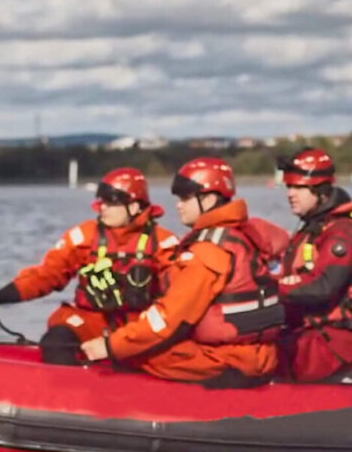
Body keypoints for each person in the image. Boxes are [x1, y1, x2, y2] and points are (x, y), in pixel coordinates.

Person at [78, 158, 283, 386]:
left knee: (136, 353)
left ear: (209, 199)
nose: (178, 205)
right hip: (260, 354)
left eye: (186, 198)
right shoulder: (244, 235)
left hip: (228, 360)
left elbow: (167, 320)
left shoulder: (208, 252)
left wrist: (110, 346)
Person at [0, 168, 180, 364]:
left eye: (111, 202)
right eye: (102, 201)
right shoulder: (84, 236)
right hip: (92, 321)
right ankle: (66, 391)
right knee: (57, 342)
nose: (102, 207)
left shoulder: (163, 243)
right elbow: (46, 275)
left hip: (138, 326)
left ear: (134, 206)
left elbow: (181, 295)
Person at [273, 147, 352, 382]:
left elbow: (324, 287)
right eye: (289, 187)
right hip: (312, 331)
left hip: (340, 337)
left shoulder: (344, 234)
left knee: (263, 362)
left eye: (299, 187)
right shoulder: (312, 230)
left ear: (320, 191)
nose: (291, 194)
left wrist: (269, 290)